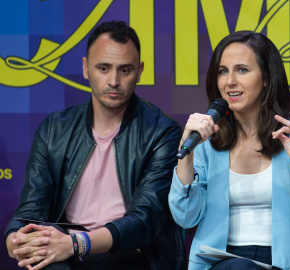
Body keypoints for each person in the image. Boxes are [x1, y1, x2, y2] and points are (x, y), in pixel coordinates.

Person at [4, 20, 186, 270]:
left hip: (129, 253)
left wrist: (77, 243)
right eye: (103, 68)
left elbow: (145, 221)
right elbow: (31, 209)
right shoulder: (54, 129)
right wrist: (15, 238)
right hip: (65, 248)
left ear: (140, 70)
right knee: (42, 260)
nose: (114, 80)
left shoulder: (161, 132)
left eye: (125, 70)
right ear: (85, 68)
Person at [168, 31, 290, 270]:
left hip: (286, 264)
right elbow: (185, 217)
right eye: (223, 71)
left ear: (266, 77)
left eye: (242, 70)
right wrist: (187, 152)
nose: (230, 81)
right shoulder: (207, 139)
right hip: (222, 264)